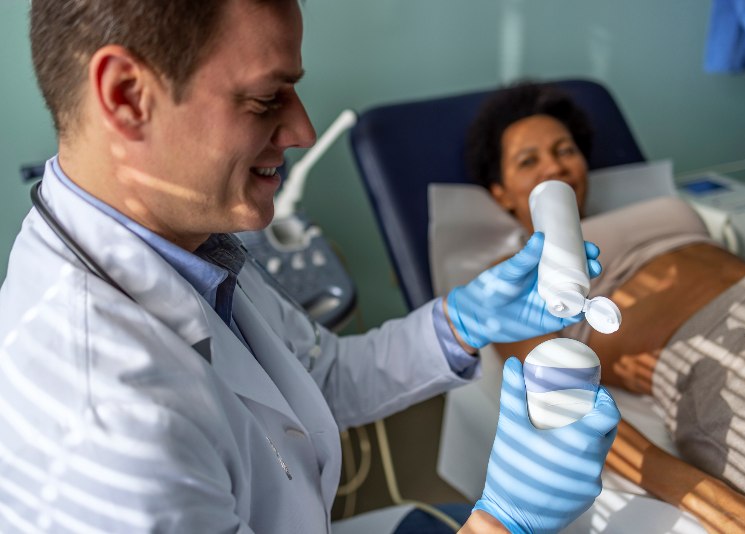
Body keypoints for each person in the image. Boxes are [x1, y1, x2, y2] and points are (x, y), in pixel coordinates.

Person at [0, 2, 621, 533]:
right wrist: (502, 522)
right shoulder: (107, 425)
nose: (301, 128)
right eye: (266, 98)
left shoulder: (188, 243)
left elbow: (319, 374)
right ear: (128, 96)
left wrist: (461, 322)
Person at [459, 81, 745, 532]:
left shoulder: (660, 206)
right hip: (722, 366)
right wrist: (713, 503)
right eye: (529, 161)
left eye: (565, 150)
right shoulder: (511, 275)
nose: (554, 166)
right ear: (500, 192)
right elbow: (559, 401)